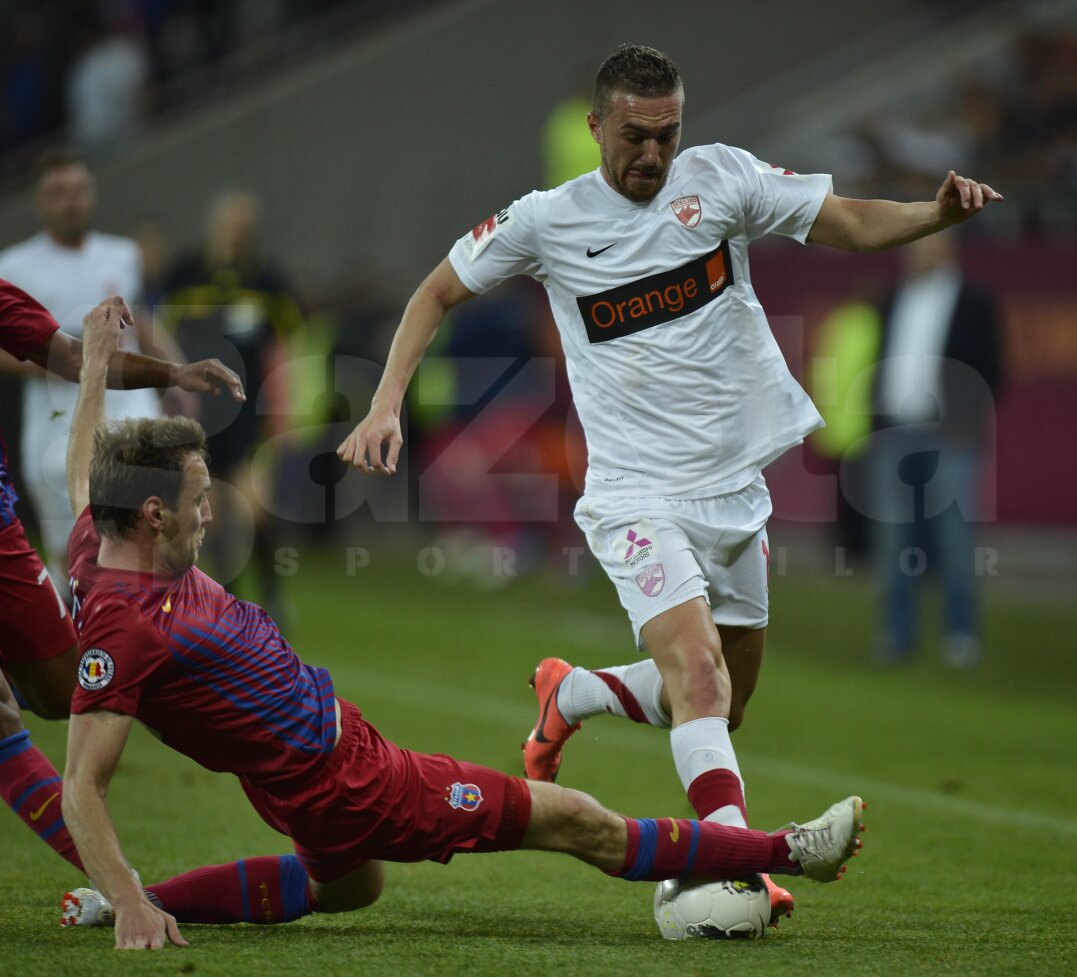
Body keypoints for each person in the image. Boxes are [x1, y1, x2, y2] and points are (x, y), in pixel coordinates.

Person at [337, 44, 1001, 922]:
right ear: (596, 127)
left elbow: (843, 219)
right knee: (697, 674)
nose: (651, 155)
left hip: (733, 490)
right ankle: (740, 866)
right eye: (633, 137)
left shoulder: (721, 180)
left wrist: (934, 215)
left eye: (666, 135)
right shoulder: (546, 220)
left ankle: (572, 692)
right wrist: (386, 404)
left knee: (725, 696)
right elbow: (433, 293)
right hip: (634, 494)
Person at [58, 301, 866, 950]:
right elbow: (81, 786)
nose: (212, 512)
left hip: (305, 776)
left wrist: (95, 365)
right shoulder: (128, 630)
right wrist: (129, 892)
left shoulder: (102, 536)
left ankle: (124, 904)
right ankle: (786, 851)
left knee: (347, 888)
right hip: (353, 782)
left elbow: (84, 471)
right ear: (155, 514)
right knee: (577, 820)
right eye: (199, 500)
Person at [0, 128, 244, 875]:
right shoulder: (12, 263)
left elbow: (68, 354)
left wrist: (174, 370)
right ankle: (116, 881)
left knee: (73, 696)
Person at [0, 147, 187, 590]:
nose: (70, 201)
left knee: (153, 532)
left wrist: (177, 373)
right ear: (40, 201)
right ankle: (78, 648)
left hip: (133, 407)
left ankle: (153, 643)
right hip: (59, 422)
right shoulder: (13, 266)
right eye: (58, 193)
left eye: (78, 190)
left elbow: (142, 319)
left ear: (91, 194)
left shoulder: (123, 254)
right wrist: (51, 363)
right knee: (74, 554)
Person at [159, 190, 303, 618]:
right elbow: (159, 338)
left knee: (254, 510)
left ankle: (273, 593)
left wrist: (286, 406)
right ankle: (230, 603)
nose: (236, 232)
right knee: (213, 515)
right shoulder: (185, 274)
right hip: (200, 414)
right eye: (230, 223)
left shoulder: (267, 279)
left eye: (244, 225)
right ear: (214, 224)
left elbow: (289, 345)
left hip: (248, 413)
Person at [864, 232, 1003, 667]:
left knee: (956, 538)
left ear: (948, 248)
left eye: (926, 242)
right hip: (894, 435)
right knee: (893, 541)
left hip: (948, 434)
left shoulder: (974, 301)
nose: (915, 250)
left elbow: (994, 367)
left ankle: (960, 634)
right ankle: (897, 632)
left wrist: (967, 421)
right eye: (912, 243)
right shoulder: (894, 298)